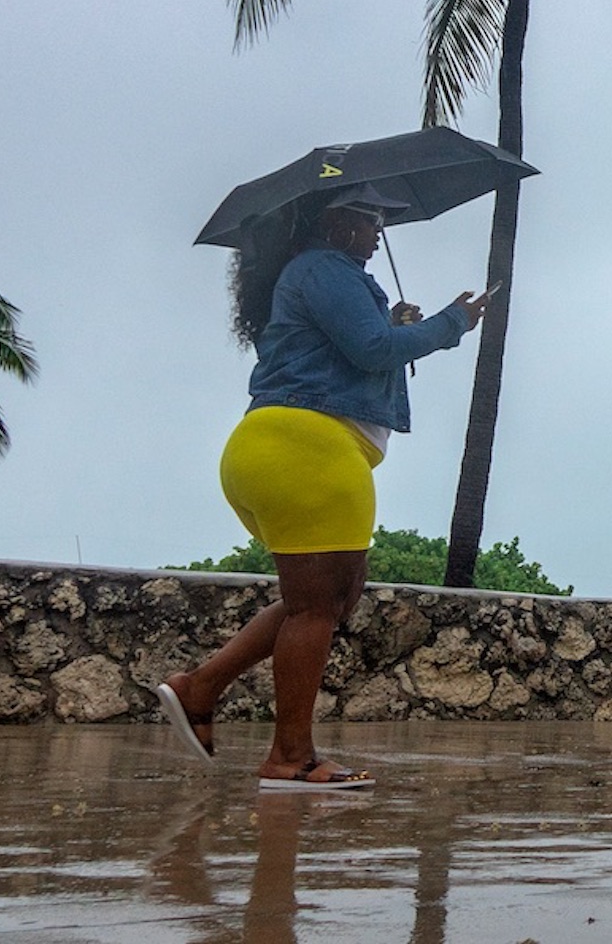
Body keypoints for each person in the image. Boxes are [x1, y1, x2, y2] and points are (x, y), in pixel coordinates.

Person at [156, 185, 490, 790]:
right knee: (319, 606)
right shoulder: (325, 268)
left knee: (324, 600)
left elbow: (356, 346)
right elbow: (370, 350)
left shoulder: (304, 276)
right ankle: (290, 758)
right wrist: (452, 323)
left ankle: (199, 687)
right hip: (309, 449)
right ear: (336, 224)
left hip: (275, 447)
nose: (379, 230)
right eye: (370, 218)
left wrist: (389, 325)